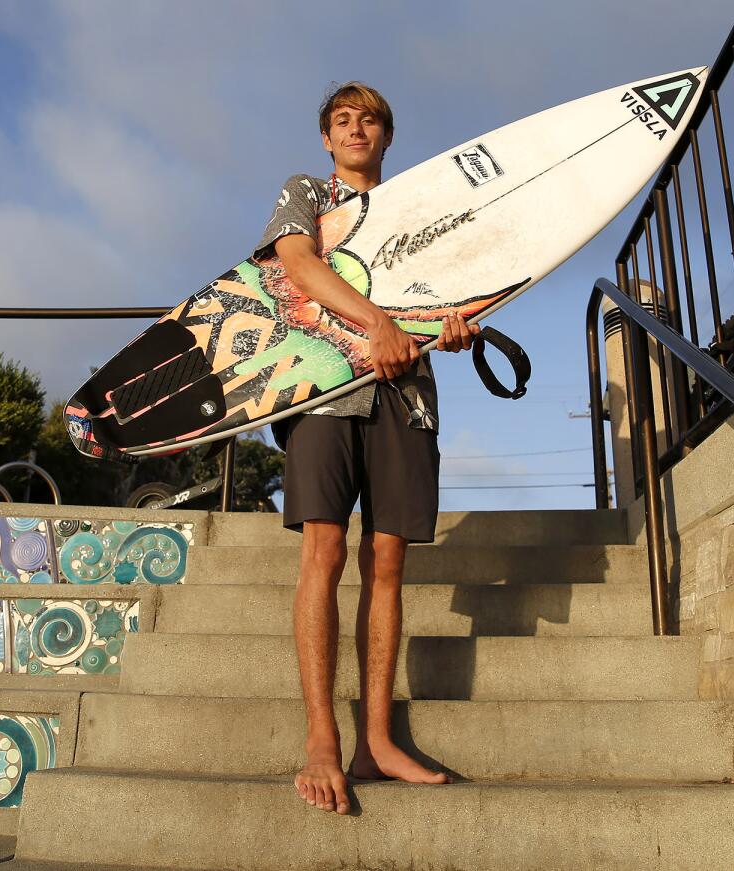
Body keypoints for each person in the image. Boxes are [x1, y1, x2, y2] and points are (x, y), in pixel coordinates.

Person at [253, 82, 479, 816]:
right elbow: (300, 267)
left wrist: (456, 324)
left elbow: (453, 292)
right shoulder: (307, 190)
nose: (356, 130)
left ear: (387, 135)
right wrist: (379, 324)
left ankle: (376, 740)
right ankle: (323, 738)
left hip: (406, 393)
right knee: (325, 549)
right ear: (327, 137)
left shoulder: (418, 206)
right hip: (321, 386)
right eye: (343, 121)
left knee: (389, 562)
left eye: (370, 120)